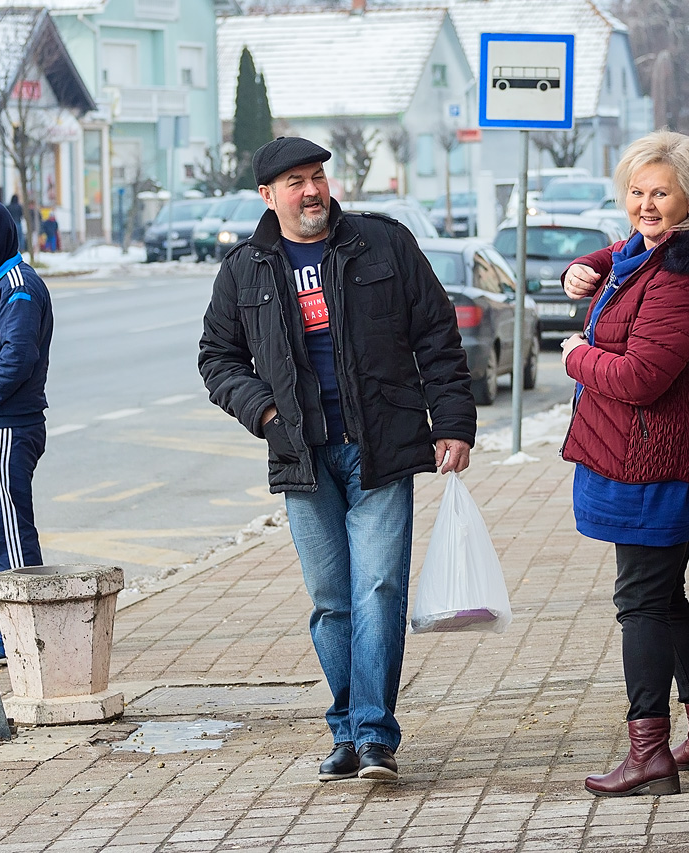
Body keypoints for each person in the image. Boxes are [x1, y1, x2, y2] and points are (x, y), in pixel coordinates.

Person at [198, 137, 476, 783]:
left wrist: (454, 422)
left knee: (378, 587)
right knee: (331, 601)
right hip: (301, 454)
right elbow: (217, 358)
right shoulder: (246, 268)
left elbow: (436, 333)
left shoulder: (383, 243)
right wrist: (266, 413)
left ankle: (375, 735)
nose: (312, 190)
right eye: (295, 181)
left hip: (379, 444)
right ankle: (347, 728)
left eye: (318, 176)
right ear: (268, 197)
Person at [560, 131, 689, 797]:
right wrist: (585, 266)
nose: (645, 205)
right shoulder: (666, 251)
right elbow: (627, 253)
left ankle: (647, 750)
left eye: (661, 193)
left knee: (641, 600)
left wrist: (573, 354)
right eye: (637, 191)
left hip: (660, 461)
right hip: (655, 453)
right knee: (663, 593)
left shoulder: (687, 277)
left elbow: (643, 375)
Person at [0, 199, 54, 661]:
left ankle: (28, 629)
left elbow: (17, 356)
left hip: (9, 425)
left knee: (11, 530)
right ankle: (17, 626)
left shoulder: (17, 285)